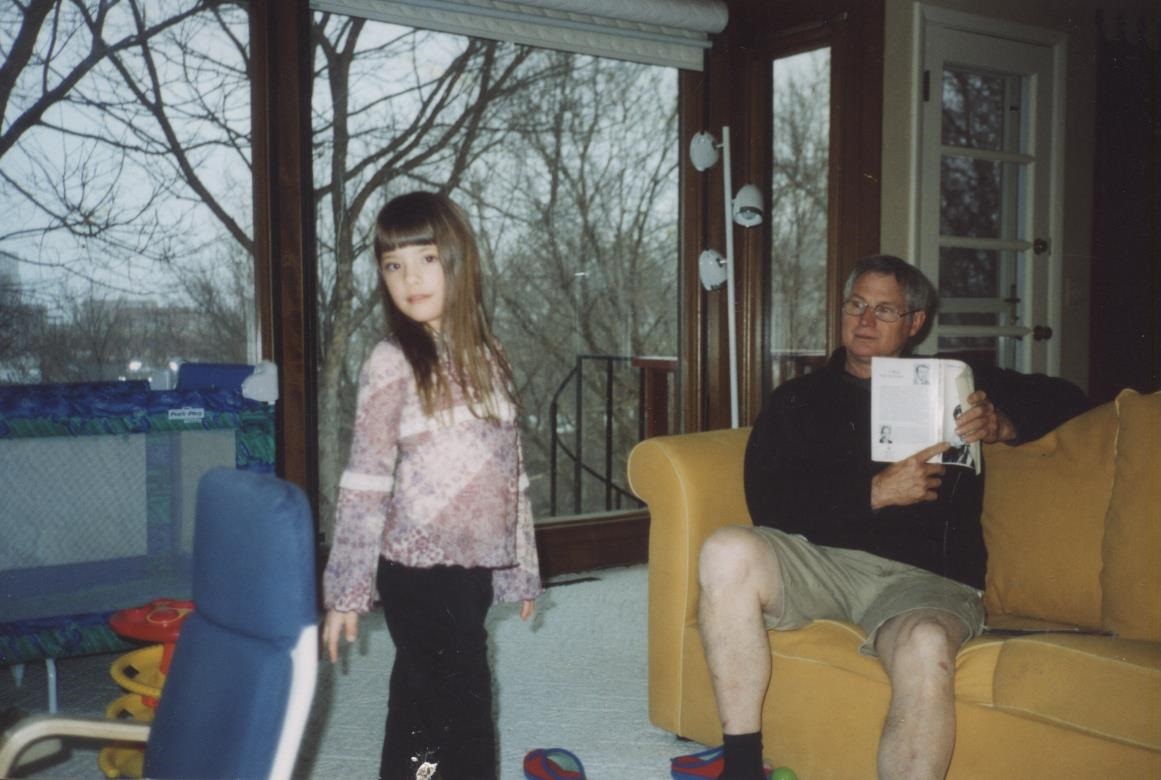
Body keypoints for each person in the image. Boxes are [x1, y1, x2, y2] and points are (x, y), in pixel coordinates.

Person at [697, 255, 1088, 780]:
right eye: (856, 305)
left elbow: (1071, 398)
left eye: (884, 310)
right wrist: (872, 494)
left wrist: (1002, 425)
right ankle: (742, 768)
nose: (865, 321)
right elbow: (769, 503)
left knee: (926, 643)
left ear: (915, 322)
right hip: (822, 563)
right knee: (726, 550)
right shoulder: (798, 399)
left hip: (924, 580)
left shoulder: (958, 382)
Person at [321, 191, 542, 780]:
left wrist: (520, 566)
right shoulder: (392, 359)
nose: (410, 278)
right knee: (456, 704)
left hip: (470, 571)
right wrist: (347, 588)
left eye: (426, 258)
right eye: (393, 265)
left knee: (434, 700)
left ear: (458, 260)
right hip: (416, 568)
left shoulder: (492, 357)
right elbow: (365, 480)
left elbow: (511, 474)